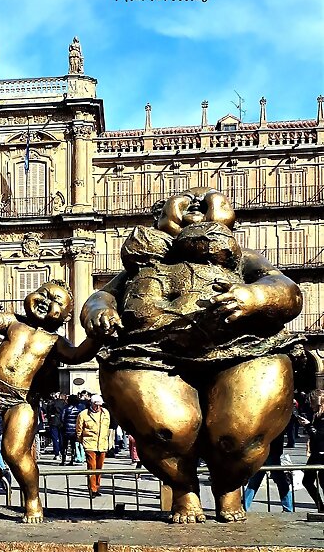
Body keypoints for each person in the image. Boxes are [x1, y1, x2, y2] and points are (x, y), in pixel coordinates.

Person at [82, 187, 303, 523]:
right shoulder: (144, 261)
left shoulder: (242, 257)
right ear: (160, 218)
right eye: (185, 199)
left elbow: (285, 289)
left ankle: (229, 489)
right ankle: (183, 491)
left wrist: (255, 296)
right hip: (150, 354)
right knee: (166, 429)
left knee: (239, 434)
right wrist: (99, 311)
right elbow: (102, 296)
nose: (196, 202)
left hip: (240, 350)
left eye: (208, 200)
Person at [0, 279, 99, 522]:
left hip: (22, 399)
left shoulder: (55, 342)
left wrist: (97, 337)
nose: (47, 301)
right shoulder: (13, 322)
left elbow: (77, 354)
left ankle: (32, 498)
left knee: (15, 452)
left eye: (57, 302)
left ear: (65, 318)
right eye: (44, 293)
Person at [243, 432, 292, 512]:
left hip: (269, 451)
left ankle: (288, 507)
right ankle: (288, 507)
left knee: (279, 481)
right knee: (256, 480)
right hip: (269, 451)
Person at [75, 394, 111, 498]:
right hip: (90, 444)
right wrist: (82, 441)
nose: (98, 407)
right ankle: (92, 489)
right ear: (91, 404)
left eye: (100, 405)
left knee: (99, 469)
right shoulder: (84, 414)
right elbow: (79, 430)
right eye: (96, 405)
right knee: (92, 467)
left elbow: (107, 428)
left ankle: (97, 487)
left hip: (102, 444)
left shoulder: (106, 413)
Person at [299, 388, 324, 512]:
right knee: (307, 481)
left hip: (322, 453)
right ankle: (320, 506)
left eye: (312, 402)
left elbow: (319, 436)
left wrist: (308, 425)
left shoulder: (322, 416)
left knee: (322, 481)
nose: (310, 405)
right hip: (316, 453)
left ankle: (321, 507)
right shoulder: (317, 415)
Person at [60, 394, 84, 465]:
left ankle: (63, 460)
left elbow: (62, 418)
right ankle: (72, 460)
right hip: (75, 429)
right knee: (73, 445)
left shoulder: (65, 408)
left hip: (66, 429)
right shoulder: (79, 408)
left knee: (65, 445)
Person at [45, 393, 65, 460]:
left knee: (55, 438)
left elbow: (48, 413)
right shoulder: (64, 403)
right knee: (62, 438)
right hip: (62, 422)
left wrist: (50, 417)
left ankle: (57, 454)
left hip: (53, 422)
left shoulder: (51, 403)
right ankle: (63, 452)